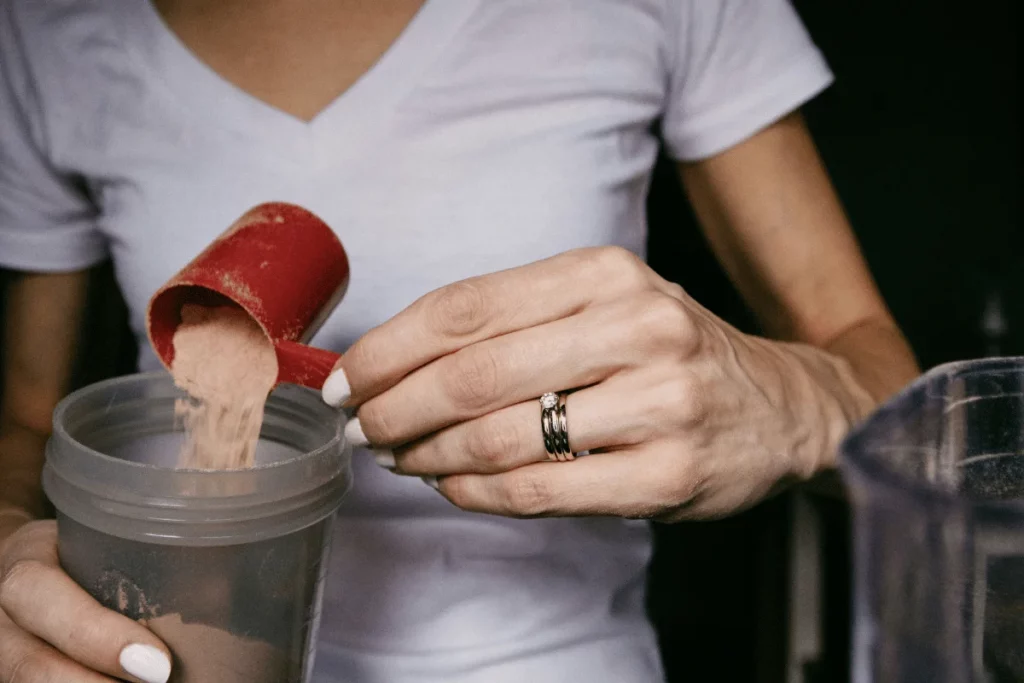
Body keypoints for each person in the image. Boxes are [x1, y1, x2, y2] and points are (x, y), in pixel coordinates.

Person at [0, 0, 919, 681]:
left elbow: (878, 367)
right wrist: (6, 546)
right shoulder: (48, 33)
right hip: (169, 651)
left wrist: (795, 403)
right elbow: (25, 421)